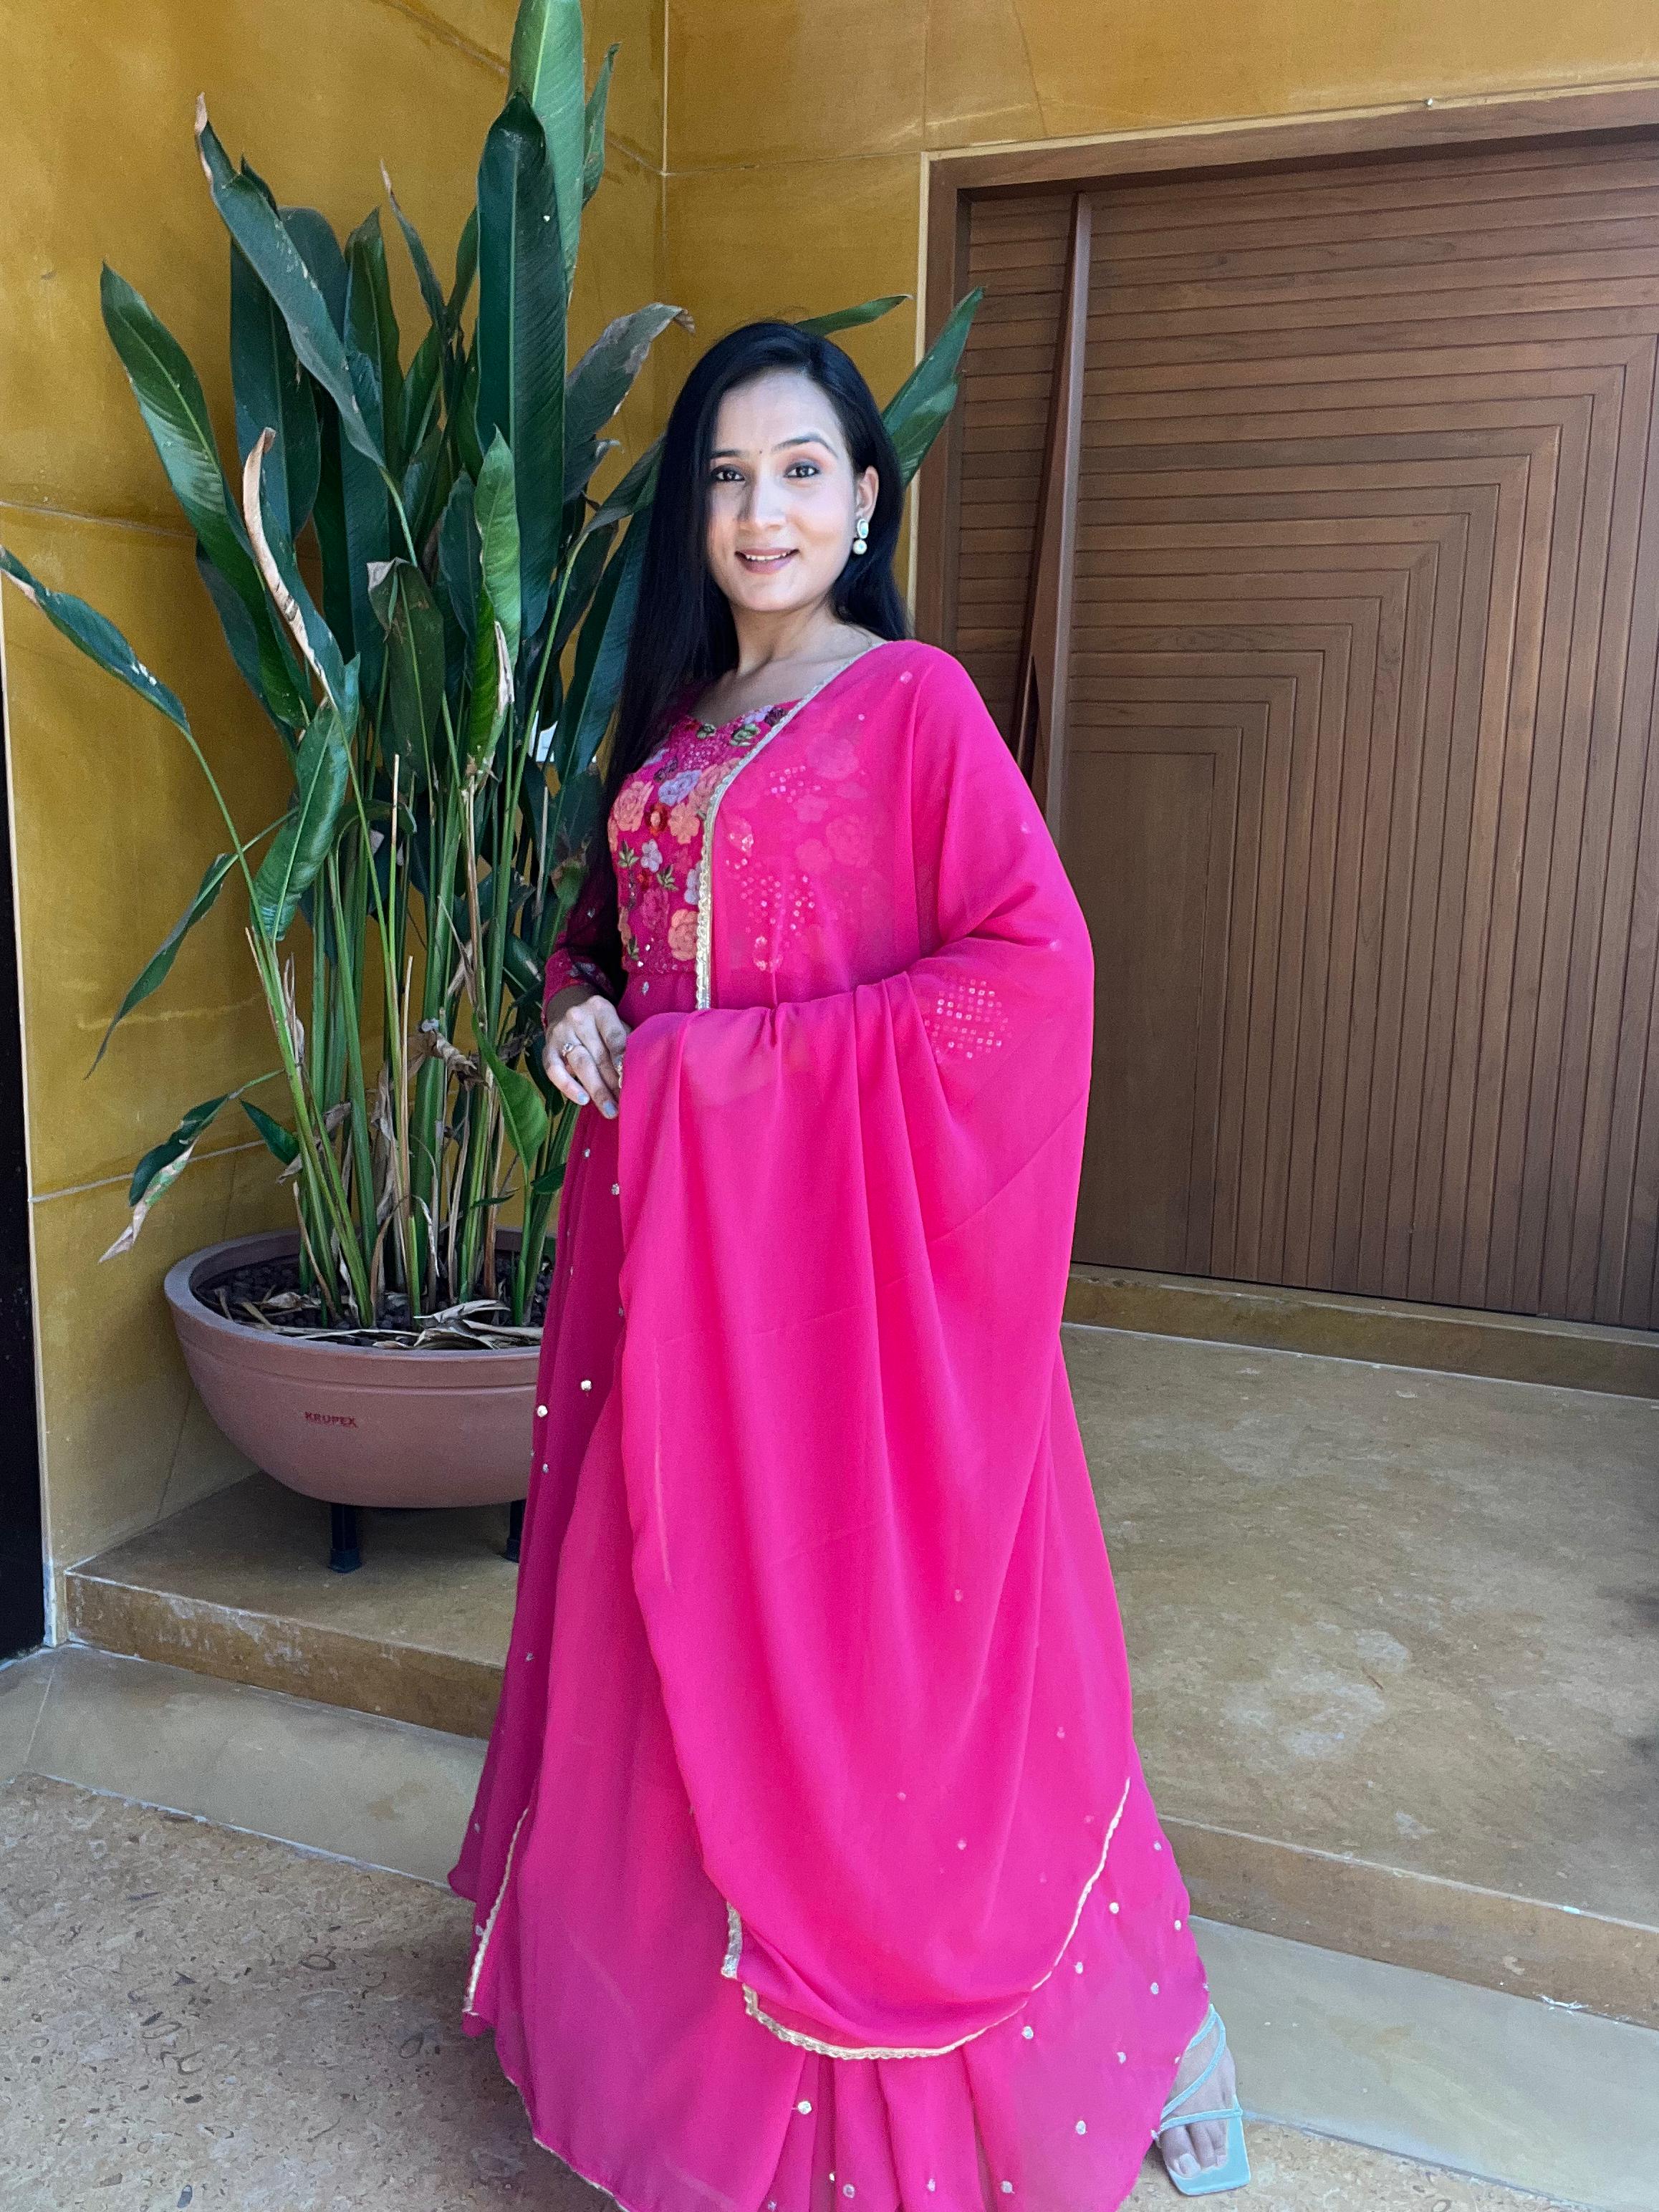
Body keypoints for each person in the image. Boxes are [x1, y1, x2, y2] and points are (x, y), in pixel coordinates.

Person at [448, 319, 1250, 2206]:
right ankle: (659, 2060)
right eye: (726, 476)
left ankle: (980, 2046)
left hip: (845, 1306)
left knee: (875, 1663)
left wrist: (716, 1081)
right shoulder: (674, 720)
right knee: (666, 1606)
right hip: (668, 1287)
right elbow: (615, 941)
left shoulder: (910, 711)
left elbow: (1024, 974)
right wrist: (576, 1011)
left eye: (800, 470)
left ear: (864, 495)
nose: (760, 511)